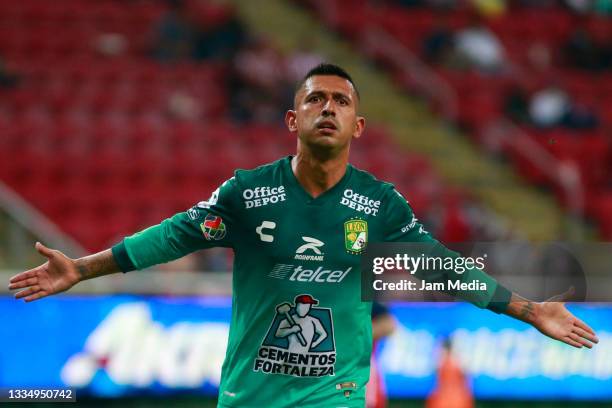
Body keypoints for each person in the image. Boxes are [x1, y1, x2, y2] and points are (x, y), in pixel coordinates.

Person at [8, 64, 598, 407]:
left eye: (341, 101)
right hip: (250, 397)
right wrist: (82, 269)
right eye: (315, 98)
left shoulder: (381, 204)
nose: (328, 108)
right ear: (293, 119)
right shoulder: (245, 194)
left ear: (358, 126)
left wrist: (527, 309)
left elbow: (445, 267)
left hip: (335, 398)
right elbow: (171, 237)